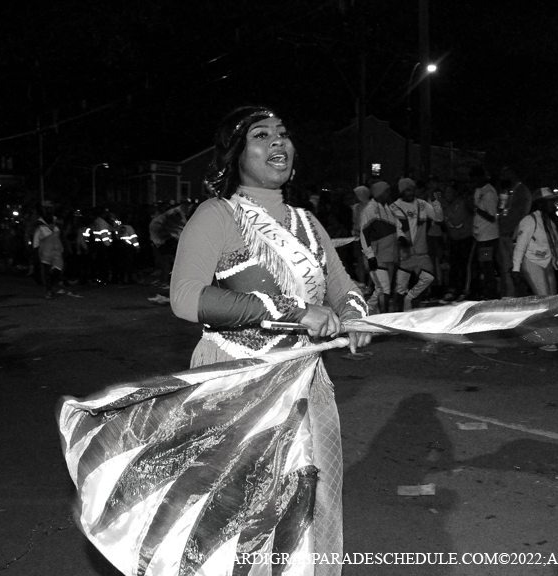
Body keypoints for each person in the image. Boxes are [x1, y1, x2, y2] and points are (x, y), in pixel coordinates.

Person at [171, 105, 371, 574]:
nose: (278, 142)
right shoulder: (217, 215)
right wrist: (296, 313)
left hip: (303, 379)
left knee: (305, 498)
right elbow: (185, 298)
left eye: (283, 133)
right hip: (239, 378)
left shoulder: (307, 221)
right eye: (261, 135)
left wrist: (356, 317)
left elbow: (345, 289)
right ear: (237, 155)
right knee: (239, 508)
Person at [511, 187, 558, 298]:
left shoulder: (550, 223)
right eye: (550, 201)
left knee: (552, 299)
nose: (553, 204)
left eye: (553, 201)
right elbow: (520, 246)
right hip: (532, 261)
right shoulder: (529, 220)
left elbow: (553, 247)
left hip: (547, 262)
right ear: (540, 204)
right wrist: (516, 269)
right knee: (545, 299)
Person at [391, 177, 438, 310]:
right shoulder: (394, 207)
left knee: (429, 277)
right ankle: (399, 316)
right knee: (400, 287)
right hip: (404, 254)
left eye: (412, 189)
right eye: (407, 190)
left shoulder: (422, 204)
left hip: (421, 253)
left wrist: (434, 200)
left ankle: (410, 298)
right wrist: (400, 238)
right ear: (402, 191)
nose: (411, 192)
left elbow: (437, 216)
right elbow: (394, 227)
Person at [359, 181, 399, 313]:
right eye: (386, 191)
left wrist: (402, 238)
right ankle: (384, 318)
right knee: (384, 289)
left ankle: (367, 309)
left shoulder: (388, 208)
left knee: (381, 288)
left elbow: (397, 227)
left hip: (390, 255)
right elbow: (364, 234)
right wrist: (369, 255)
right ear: (380, 193)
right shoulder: (369, 210)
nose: (389, 194)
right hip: (377, 256)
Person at [496, 166, 532, 297]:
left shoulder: (522, 191)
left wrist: (515, 233)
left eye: (504, 174)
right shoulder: (506, 191)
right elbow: (502, 211)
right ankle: (508, 295)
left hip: (514, 236)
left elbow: (521, 215)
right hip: (503, 233)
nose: (501, 178)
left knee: (516, 268)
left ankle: (517, 297)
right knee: (505, 268)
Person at [441, 181, 474, 301]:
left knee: (464, 265)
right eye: (446, 193)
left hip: (466, 238)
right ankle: (453, 290)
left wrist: (445, 210)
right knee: (454, 265)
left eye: (449, 192)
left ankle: (465, 290)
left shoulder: (460, 203)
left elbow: (456, 221)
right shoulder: (448, 206)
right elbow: (445, 223)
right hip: (454, 239)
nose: (447, 195)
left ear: (455, 193)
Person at [470, 166, 499, 299]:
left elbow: (491, 216)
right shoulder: (478, 190)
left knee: (487, 265)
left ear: (482, 177)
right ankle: (485, 291)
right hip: (479, 235)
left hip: (488, 237)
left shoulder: (489, 193)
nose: (474, 181)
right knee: (482, 265)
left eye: (476, 178)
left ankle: (491, 293)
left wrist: (476, 209)